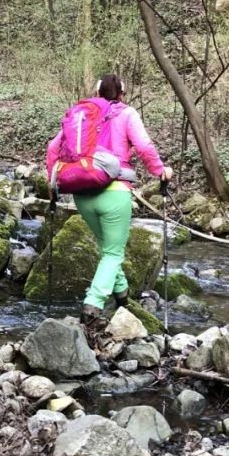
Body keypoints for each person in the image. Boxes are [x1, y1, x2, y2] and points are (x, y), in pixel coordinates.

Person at [45, 73, 172, 327]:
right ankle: (92, 305)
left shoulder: (81, 115)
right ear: (122, 92)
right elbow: (144, 147)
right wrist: (161, 171)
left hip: (82, 195)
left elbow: (52, 148)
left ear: (96, 92)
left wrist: (52, 181)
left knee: (107, 251)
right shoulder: (126, 114)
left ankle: (123, 298)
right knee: (113, 254)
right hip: (115, 195)